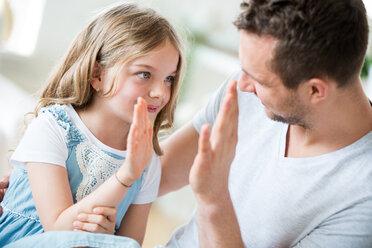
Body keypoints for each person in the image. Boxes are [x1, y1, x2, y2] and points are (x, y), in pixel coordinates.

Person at [2, 0, 372, 247]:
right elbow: (146, 172)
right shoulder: (241, 94)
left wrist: (213, 201)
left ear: (315, 90)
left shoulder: (362, 199)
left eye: (257, 80)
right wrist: (42, 183)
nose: (240, 86)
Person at [0, 2, 185, 247]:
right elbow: (57, 230)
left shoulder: (146, 160)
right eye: (144, 74)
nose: (160, 92)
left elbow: (129, 242)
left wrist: (105, 238)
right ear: (97, 75)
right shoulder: (53, 127)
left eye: (169, 78)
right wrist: (126, 175)